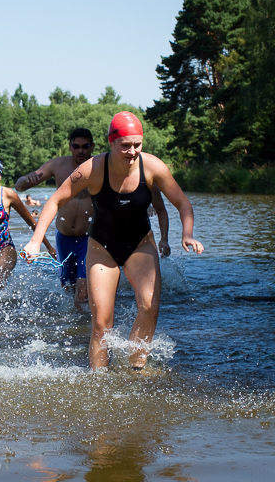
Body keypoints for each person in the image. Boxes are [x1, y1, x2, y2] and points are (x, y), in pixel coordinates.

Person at [22, 112, 204, 370]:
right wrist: (35, 240)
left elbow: (182, 202)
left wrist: (187, 233)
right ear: (111, 142)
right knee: (101, 323)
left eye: (137, 145)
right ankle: (99, 382)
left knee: (150, 306)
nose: (132, 151)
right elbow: (55, 200)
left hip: (140, 244)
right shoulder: (92, 169)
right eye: (125, 145)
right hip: (101, 249)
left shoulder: (152, 166)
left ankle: (135, 367)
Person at [15, 128, 96, 303]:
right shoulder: (58, 165)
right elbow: (19, 187)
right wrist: (26, 179)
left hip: (88, 238)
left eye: (85, 146)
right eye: (76, 146)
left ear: (92, 147)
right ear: (70, 147)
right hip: (63, 238)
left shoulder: (99, 167)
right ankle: (76, 327)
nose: (80, 150)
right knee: (67, 292)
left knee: (82, 294)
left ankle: (85, 328)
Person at [0, 157, 56, 288]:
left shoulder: (8, 194)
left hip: (5, 248)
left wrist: (49, 248)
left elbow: (31, 222)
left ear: (0, 177)